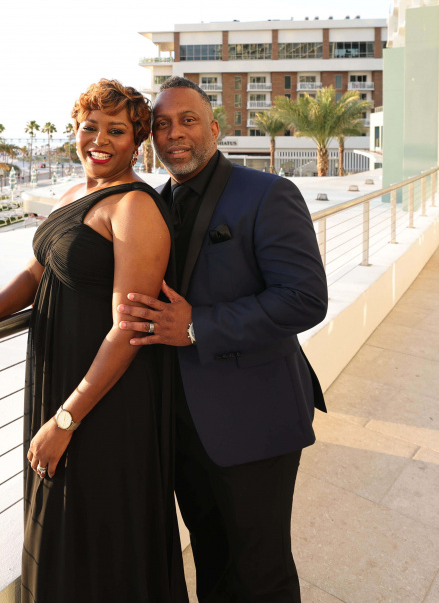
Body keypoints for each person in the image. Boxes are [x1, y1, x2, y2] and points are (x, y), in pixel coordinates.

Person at [0, 79, 187, 601]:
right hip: (61, 381)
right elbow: (39, 271)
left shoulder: (134, 208)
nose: (99, 140)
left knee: (99, 536)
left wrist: (65, 420)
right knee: (59, 526)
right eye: (90, 127)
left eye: (116, 131)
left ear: (137, 142)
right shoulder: (74, 195)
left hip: (104, 399)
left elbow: (128, 327)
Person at [116, 76, 328, 602]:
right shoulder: (151, 204)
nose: (174, 134)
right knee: (212, 561)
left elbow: (305, 299)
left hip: (254, 419)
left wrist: (197, 326)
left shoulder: (269, 193)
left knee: (261, 571)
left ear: (214, 129)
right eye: (162, 125)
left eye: (187, 120)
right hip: (181, 428)